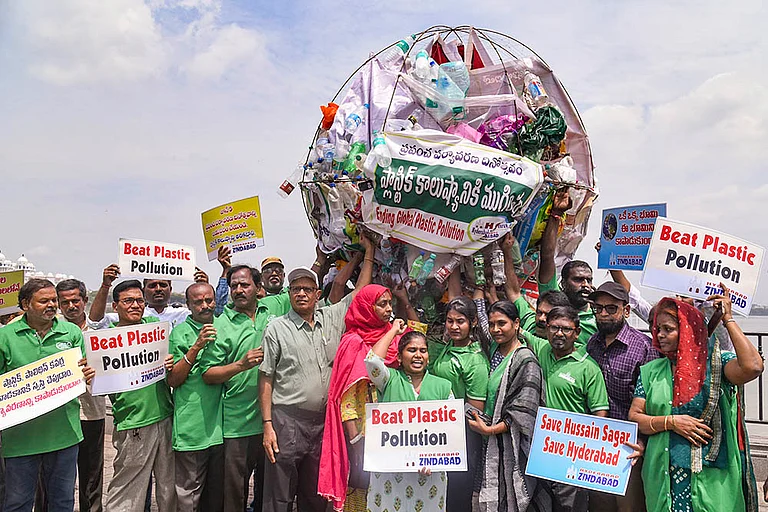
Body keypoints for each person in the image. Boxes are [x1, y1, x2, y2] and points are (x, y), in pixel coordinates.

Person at [260, 237, 374, 512]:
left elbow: (360, 292)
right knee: (279, 496)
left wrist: (368, 252)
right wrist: (268, 426)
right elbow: (266, 378)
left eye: (307, 289)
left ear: (317, 294)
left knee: (315, 495)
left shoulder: (330, 318)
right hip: (287, 421)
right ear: (289, 294)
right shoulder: (276, 328)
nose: (301, 294)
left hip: (323, 424)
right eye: (295, 289)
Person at [628, 287, 762, 512]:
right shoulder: (651, 371)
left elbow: (753, 366)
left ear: (689, 329)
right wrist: (671, 422)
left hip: (711, 479)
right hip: (664, 477)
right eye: (658, 329)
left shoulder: (716, 363)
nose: (659, 335)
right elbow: (635, 417)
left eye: (668, 329)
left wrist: (728, 319)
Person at [199, 265, 290, 512]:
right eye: (234, 286)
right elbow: (207, 374)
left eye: (245, 285)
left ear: (258, 287)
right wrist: (240, 365)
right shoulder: (220, 324)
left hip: (274, 421)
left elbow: (310, 288)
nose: (239, 290)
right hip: (237, 425)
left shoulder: (272, 310)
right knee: (234, 493)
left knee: (269, 490)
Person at [0, 279, 95, 512]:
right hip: (20, 439)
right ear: (25, 304)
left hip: (65, 435)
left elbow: (85, 373)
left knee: (62, 502)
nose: (52, 305)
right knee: (18, 503)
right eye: (44, 301)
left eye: (54, 300)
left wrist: (88, 374)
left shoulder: (72, 332)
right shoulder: (6, 336)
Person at [93, 279, 176, 512]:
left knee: (169, 489)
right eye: (128, 301)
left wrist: (171, 361)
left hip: (165, 416)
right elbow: (97, 379)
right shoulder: (105, 340)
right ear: (115, 306)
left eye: (140, 300)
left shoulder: (155, 328)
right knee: (128, 492)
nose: (135, 305)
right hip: (134, 423)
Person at [318, 284, 403, 512]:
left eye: (390, 304)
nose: (388, 309)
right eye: (382, 304)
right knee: (362, 492)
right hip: (364, 434)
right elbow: (347, 397)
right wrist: (356, 441)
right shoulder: (353, 342)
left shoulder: (395, 337)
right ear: (367, 307)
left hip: (394, 433)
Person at [468, 300, 551, 512]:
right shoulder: (494, 350)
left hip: (509, 444)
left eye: (502, 323)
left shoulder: (525, 359)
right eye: (492, 324)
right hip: (487, 441)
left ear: (516, 323)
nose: (496, 329)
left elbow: (525, 409)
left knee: (510, 500)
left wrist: (491, 430)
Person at [585, 281, 658, 512]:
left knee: (629, 507)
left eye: (611, 308)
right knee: (599, 507)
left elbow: (653, 403)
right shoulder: (592, 344)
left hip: (630, 448)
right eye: (598, 308)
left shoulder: (644, 347)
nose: (603, 314)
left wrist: (643, 443)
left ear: (626, 310)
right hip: (596, 446)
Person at [365, 326, 454, 512]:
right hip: (390, 473)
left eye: (423, 350)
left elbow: (451, 431)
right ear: (399, 357)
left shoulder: (443, 387)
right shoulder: (389, 380)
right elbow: (372, 361)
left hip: (429, 475)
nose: (418, 355)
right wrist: (393, 331)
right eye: (411, 350)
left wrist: (434, 459)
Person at [428, 293, 490, 512]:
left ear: (473, 322)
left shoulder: (475, 360)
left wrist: (447, 412)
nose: (454, 327)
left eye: (460, 321)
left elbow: (476, 411)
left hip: (462, 437)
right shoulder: (449, 346)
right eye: (450, 321)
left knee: (457, 496)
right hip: (440, 431)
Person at [167, 283, 224, 512]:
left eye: (209, 300)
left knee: (215, 496)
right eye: (198, 302)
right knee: (189, 496)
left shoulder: (223, 326)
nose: (205, 306)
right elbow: (173, 380)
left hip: (221, 428)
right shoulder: (179, 333)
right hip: (192, 429)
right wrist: (196, 347)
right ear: (188, 305)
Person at [56, 279, 106, 512]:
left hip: (91, 412)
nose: (71, 306)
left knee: (92, 475)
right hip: (59, 415)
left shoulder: (101, 335)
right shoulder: (51, 332)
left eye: (75, 300)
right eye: (65, 302)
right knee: (53, 476)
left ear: (85, 301)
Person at [538, 189, 596, 347]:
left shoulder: (599, 317)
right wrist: (556, 214)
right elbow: (547, 256)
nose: (585, 285)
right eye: (578, 279)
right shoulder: (554, 302)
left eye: (589, 280)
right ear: (563, 283)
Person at [89, 265, 209, 329]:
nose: (158, 289)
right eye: (152, 286)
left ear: (170, 289)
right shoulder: (129, 314)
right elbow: (95, 323)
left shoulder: (184, 314)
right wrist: (105, 285)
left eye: (163, 285)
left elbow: (208, 317)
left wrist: (204, 286)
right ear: (144, 290)